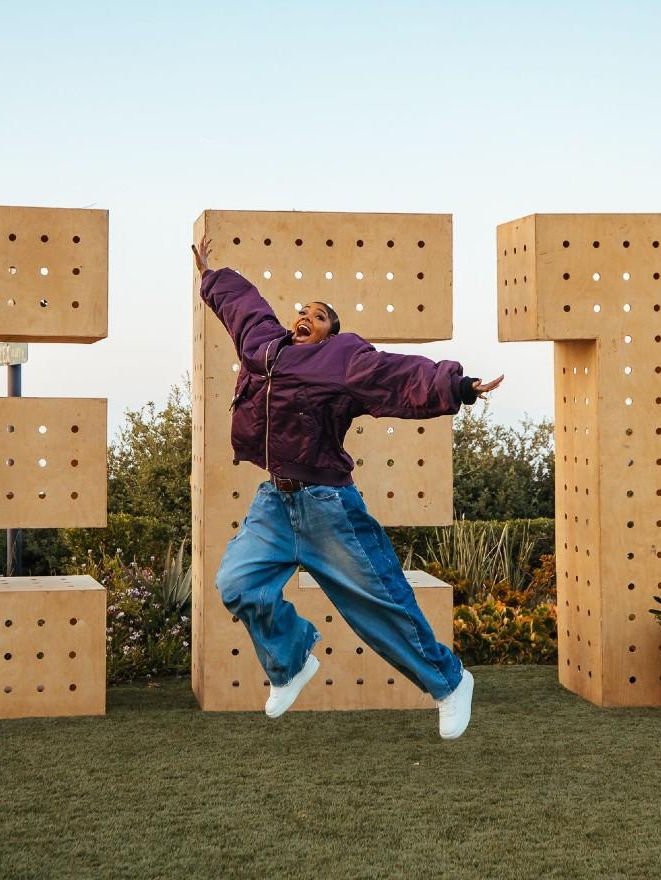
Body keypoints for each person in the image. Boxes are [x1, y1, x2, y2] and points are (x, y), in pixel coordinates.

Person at [194, 236, 503, 739]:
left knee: (378, 604)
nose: (305, 316)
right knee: (236, 584)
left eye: (317, 316)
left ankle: (451, 683)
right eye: (302, 311)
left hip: (328, 505)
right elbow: (244, 309)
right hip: (275, 502)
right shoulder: (263, 347)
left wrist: (459, 386)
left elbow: (396, 376)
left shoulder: (343, 359)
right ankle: (291, 664)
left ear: (329, 332)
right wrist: (211, 276)